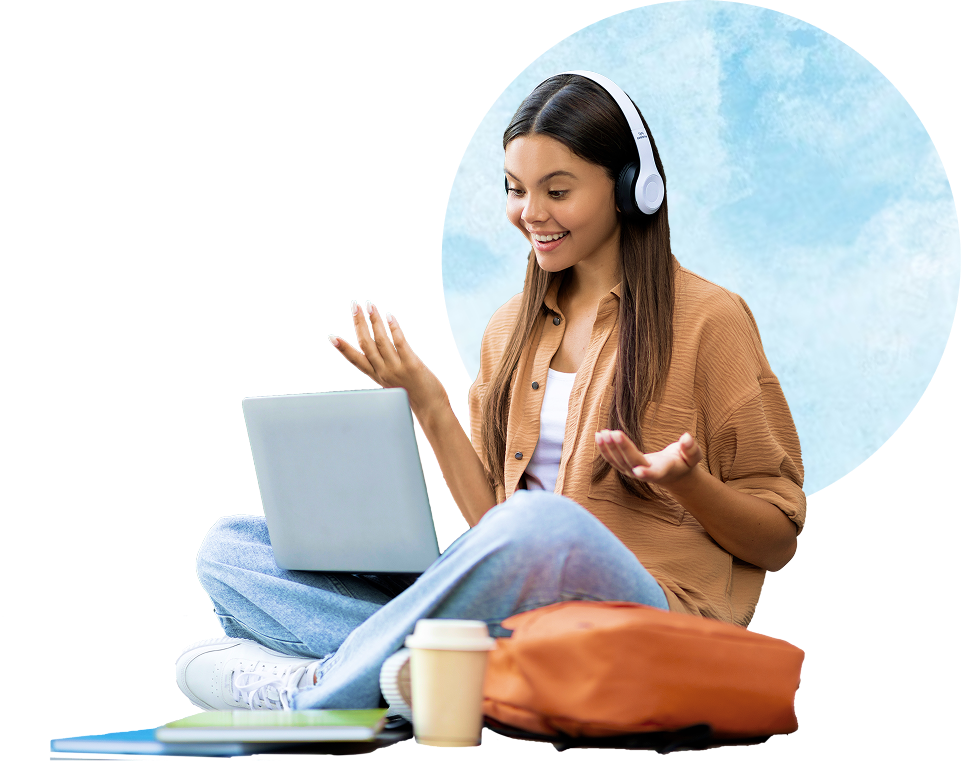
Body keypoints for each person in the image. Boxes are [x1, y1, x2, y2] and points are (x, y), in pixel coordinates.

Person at [175, 73, 805, 720]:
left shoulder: (710, 319)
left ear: (629, 189)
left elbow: (777, 538)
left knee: (545, 522)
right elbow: (494, 528)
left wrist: (689, 483)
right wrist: (427, 403)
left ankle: (316, 688)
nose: (530, 213)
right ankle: (411, 674)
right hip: (525, 621)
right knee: (231, 548)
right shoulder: (507, 330)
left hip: (648, 619)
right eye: (514, 189)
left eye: (557, 190)